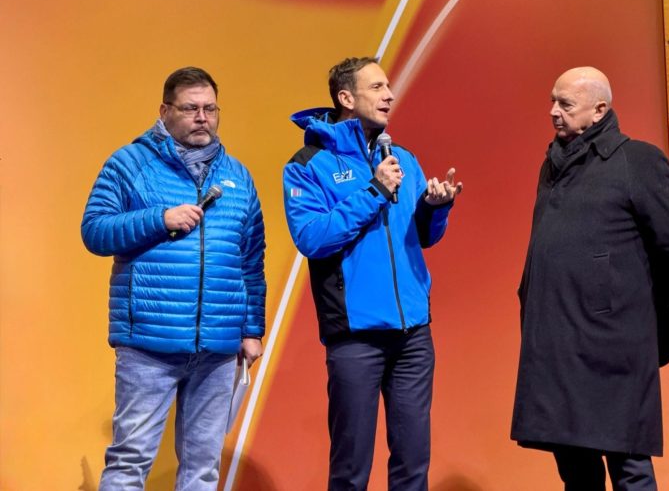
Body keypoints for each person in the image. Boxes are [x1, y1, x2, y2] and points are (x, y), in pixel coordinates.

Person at [511, 66, 669, 490]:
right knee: (575, 467)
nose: (553, 111)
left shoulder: (637, 160)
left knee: (628, 463)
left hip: (613, 344)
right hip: (558, 340)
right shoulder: (553, 164)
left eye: (565, 104)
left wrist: (641, 301)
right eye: (552, 101)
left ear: (599, 110)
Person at [81, 67, 266, 490]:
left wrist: (251, 329)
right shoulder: (129, 164)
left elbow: (251, 260)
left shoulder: (237, 176)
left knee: (203, 469)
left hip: (218, 349)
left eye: (210, 109)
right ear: (164, 112)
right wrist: (158, 219)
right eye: (190, 108)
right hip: (149, 345)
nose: (202, 117)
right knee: (130, 462)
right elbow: (94, 231)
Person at [283, 56, 462, 490]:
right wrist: (374, 190)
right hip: (355, 337)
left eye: (389, 87)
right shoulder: (308, 164)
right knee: (351, 470)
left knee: (413, 464)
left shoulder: (402, 158)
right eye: (378, 87)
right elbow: (312, 238)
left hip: (413, 335)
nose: (390, 95)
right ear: (346, 98)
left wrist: (435, 209)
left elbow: (422, 238)